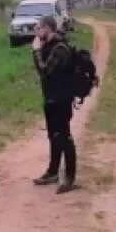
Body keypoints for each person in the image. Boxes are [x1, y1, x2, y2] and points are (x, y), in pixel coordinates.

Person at [32, 16, 78, 193]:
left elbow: (44, 71)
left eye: (39, 28)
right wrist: (40, 49)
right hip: (51, 98)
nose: (36, 31)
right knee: (53, 136)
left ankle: (70, 176)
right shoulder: (49, 46)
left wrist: (36, 51)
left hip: (61, 99)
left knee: (64, 136)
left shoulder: (59, 48)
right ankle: (52, 172)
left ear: (47, 28)